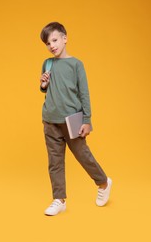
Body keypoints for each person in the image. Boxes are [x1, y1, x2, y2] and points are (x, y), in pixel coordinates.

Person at [40, 22, 112, 216]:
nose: (51, 45)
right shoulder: (47, 63)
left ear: (65, 38)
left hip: (71, 120)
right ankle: (59, 199)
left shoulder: (76, 64)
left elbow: (84, 94)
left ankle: (103, 182)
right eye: (47, 43)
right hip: (50, 120)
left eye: (54, 40)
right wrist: (44, 84)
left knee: (82, 155)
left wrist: (87, 120)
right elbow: (46, 89)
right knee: (54, 161)